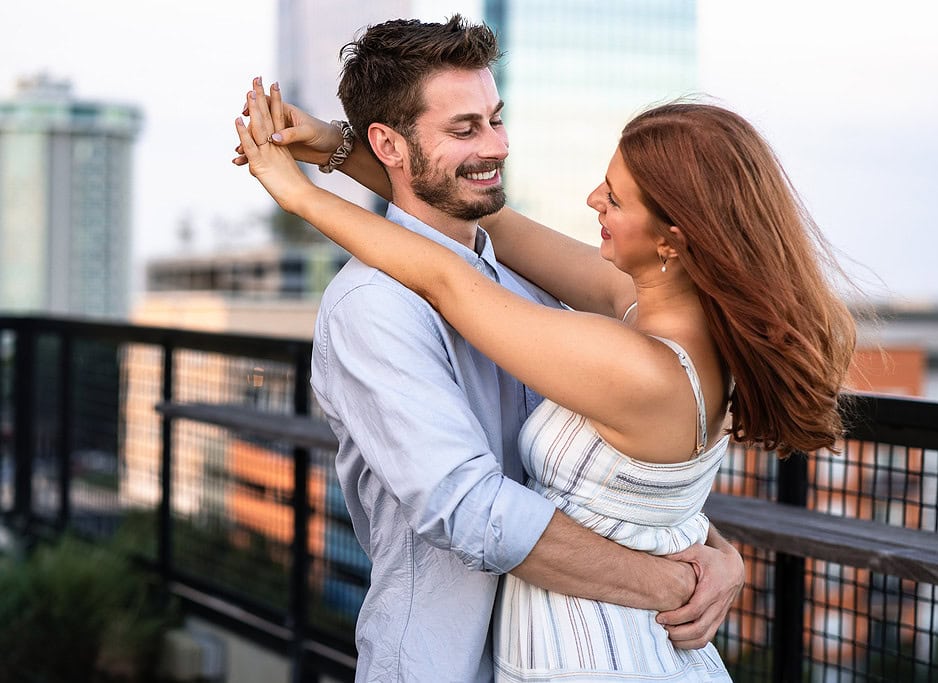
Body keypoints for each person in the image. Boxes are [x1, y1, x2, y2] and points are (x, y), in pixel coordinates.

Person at [234, 16, 746, 683]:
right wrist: (670, 580)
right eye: (466, 128)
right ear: (389, 142)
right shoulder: (373, 307)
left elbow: (604, 471)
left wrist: (716, 549)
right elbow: (471, 510)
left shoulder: (521, 282)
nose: (498, 146)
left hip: (597, 651)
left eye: (495, 119)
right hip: (449, 664)